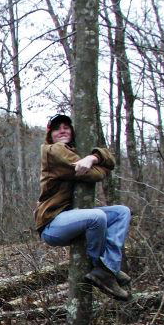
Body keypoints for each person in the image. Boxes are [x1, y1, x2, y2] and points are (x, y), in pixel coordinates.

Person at [35, 114, 132, 301]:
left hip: (72, 217)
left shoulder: (76, 152)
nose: (62, 131)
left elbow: (110, 160)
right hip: (51, 224)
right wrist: (98, 165)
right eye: (56, 128)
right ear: (50, 135)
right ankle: (98, 266)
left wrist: (91, 158)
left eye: (66, 127)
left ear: (73, 131)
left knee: (122, 212)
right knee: (97, 217)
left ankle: (107, 268)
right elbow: (94, 175)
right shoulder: (52, 150)